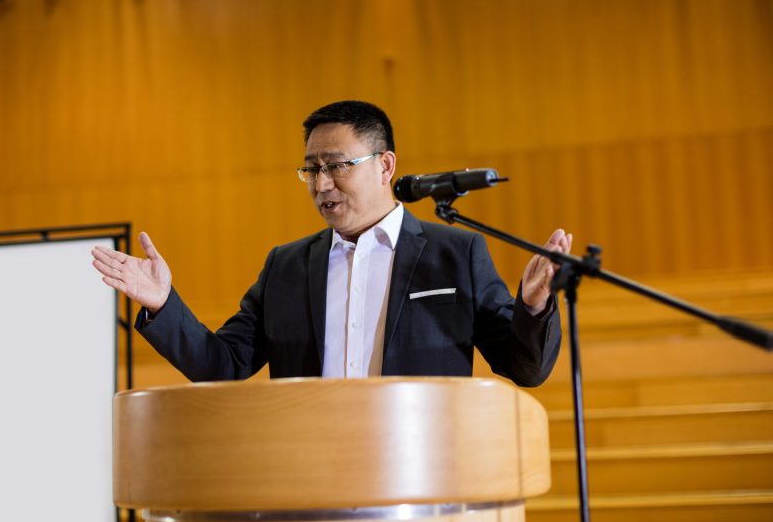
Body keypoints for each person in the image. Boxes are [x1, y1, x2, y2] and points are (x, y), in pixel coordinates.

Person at [92, 100, 571, 385]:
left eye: (336, 166)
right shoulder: (286, 266)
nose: (321, 185)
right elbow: (224, 366)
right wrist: (162, 304)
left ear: (385, 166)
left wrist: (532, 307)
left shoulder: (456, 255)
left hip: (421, 473)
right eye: (311, 169)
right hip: (312, 475)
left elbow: (524, 369)